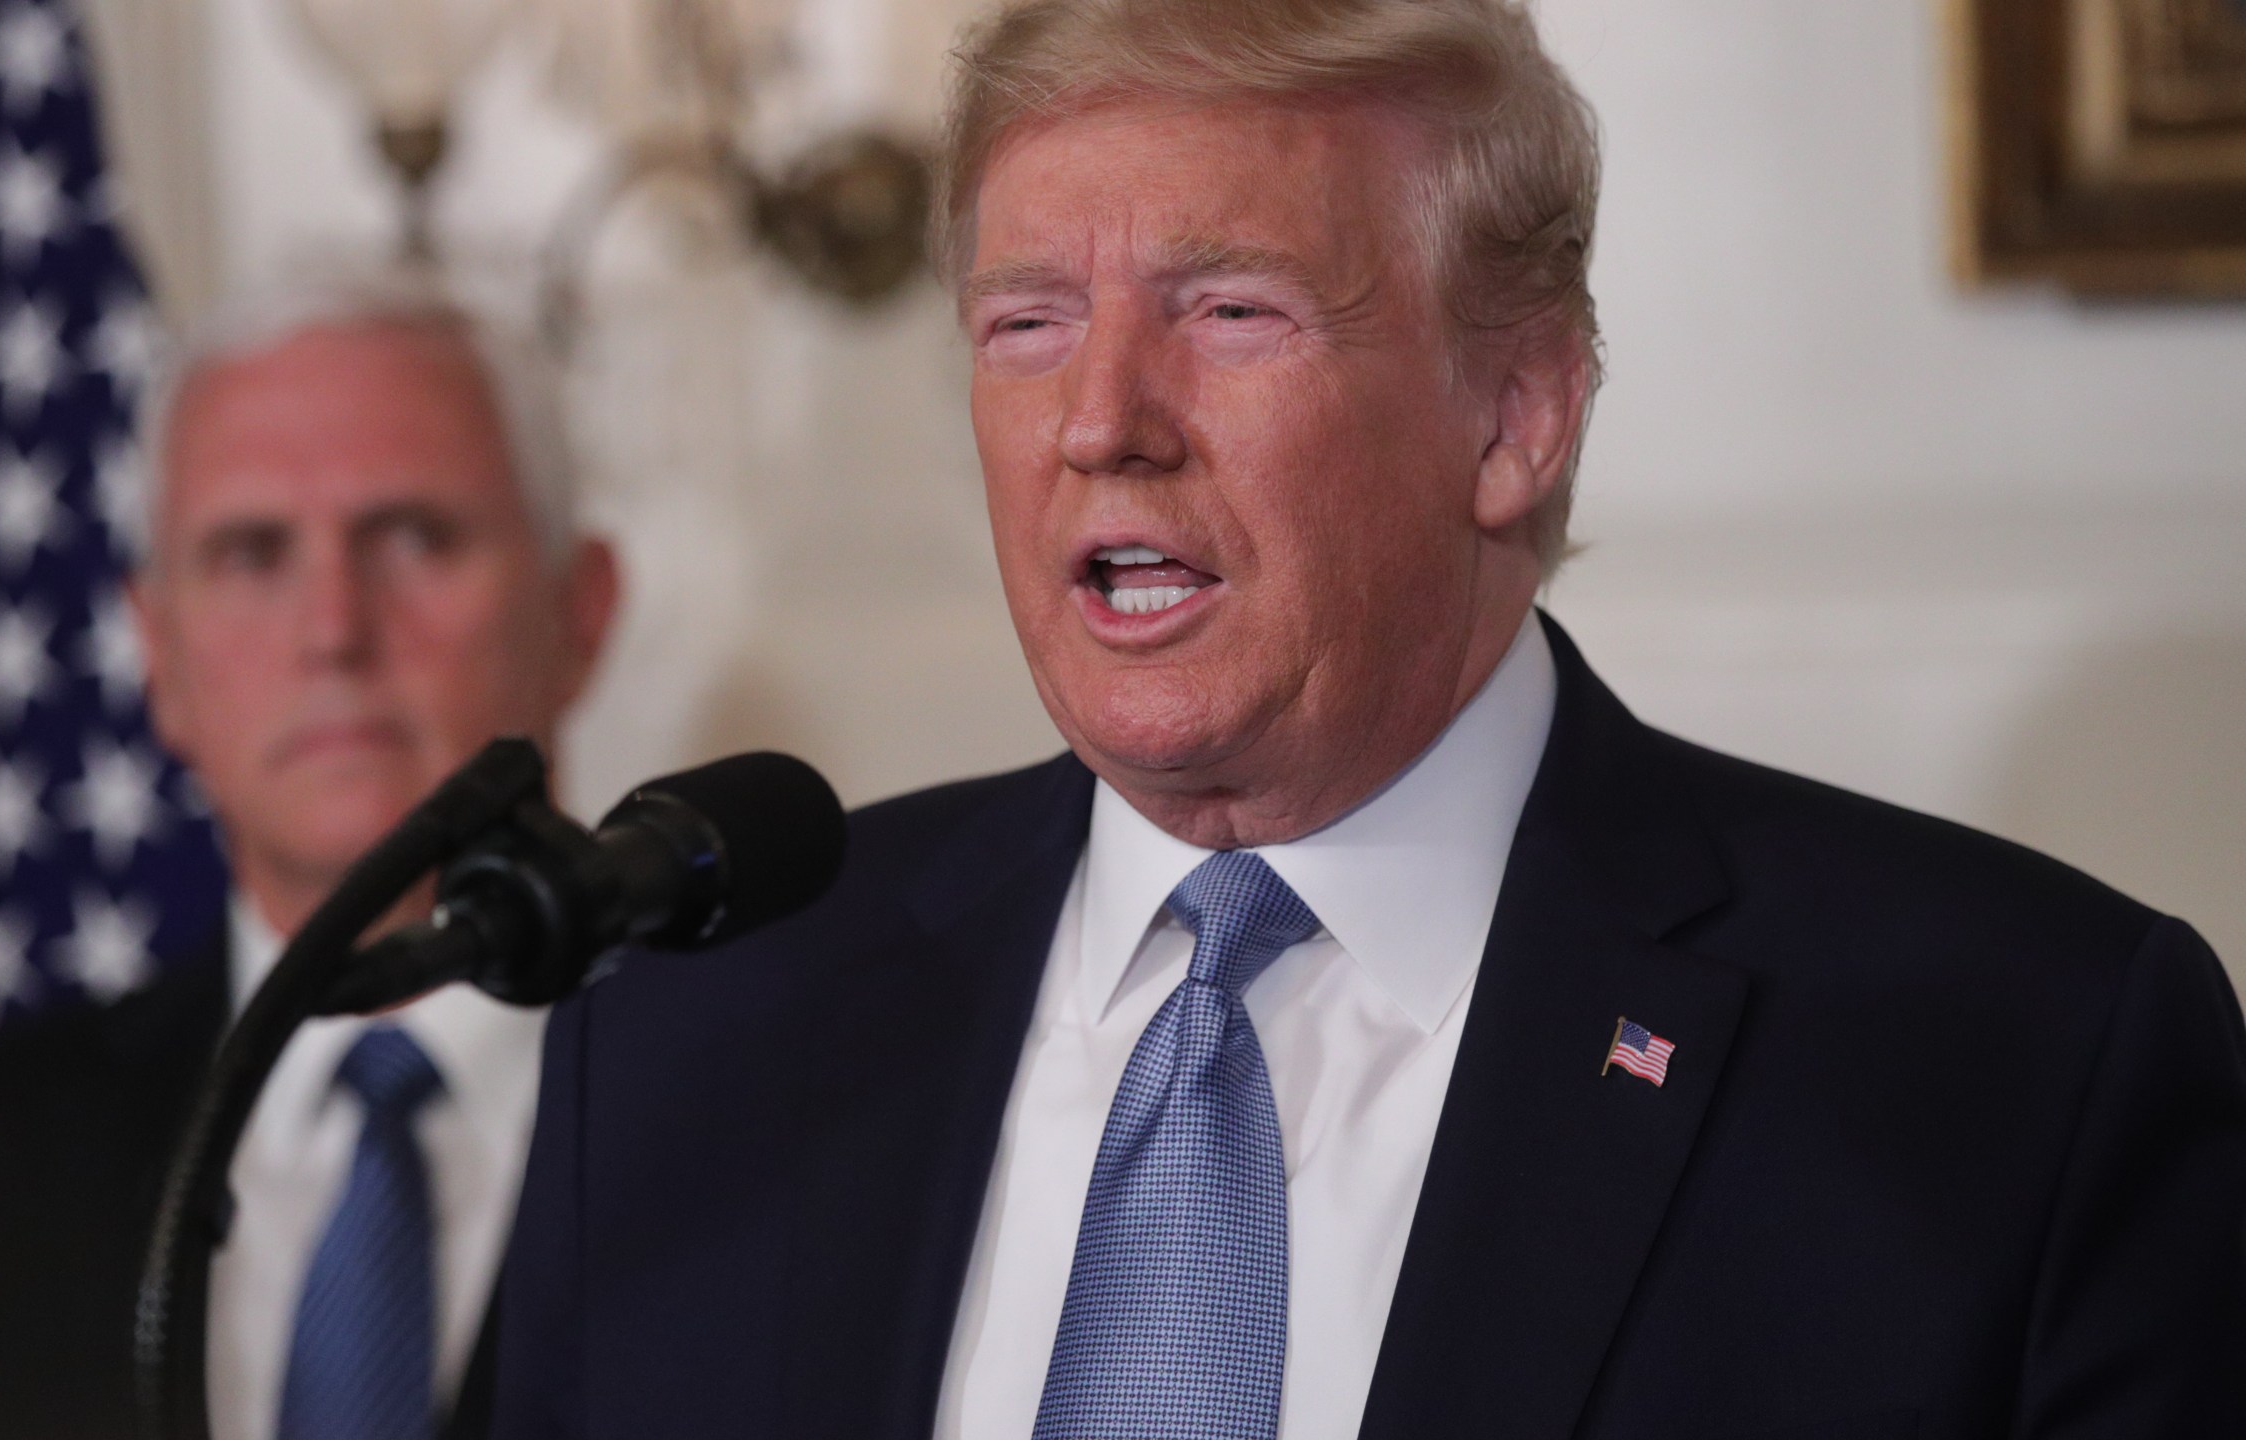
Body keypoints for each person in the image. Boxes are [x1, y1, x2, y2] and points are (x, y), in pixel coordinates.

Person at [485, 2, 2246, 1436]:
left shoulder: (2015, 1063)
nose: (1101, 421)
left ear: (1518, 414)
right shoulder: (699, 1029)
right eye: (1027, 322)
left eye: (1229, 311)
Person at [0, 277, 619, 1440]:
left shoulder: (801, 1126)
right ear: (157, 654)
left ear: (581, 611)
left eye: (416, 537)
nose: (333, 631)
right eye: (252, 553)